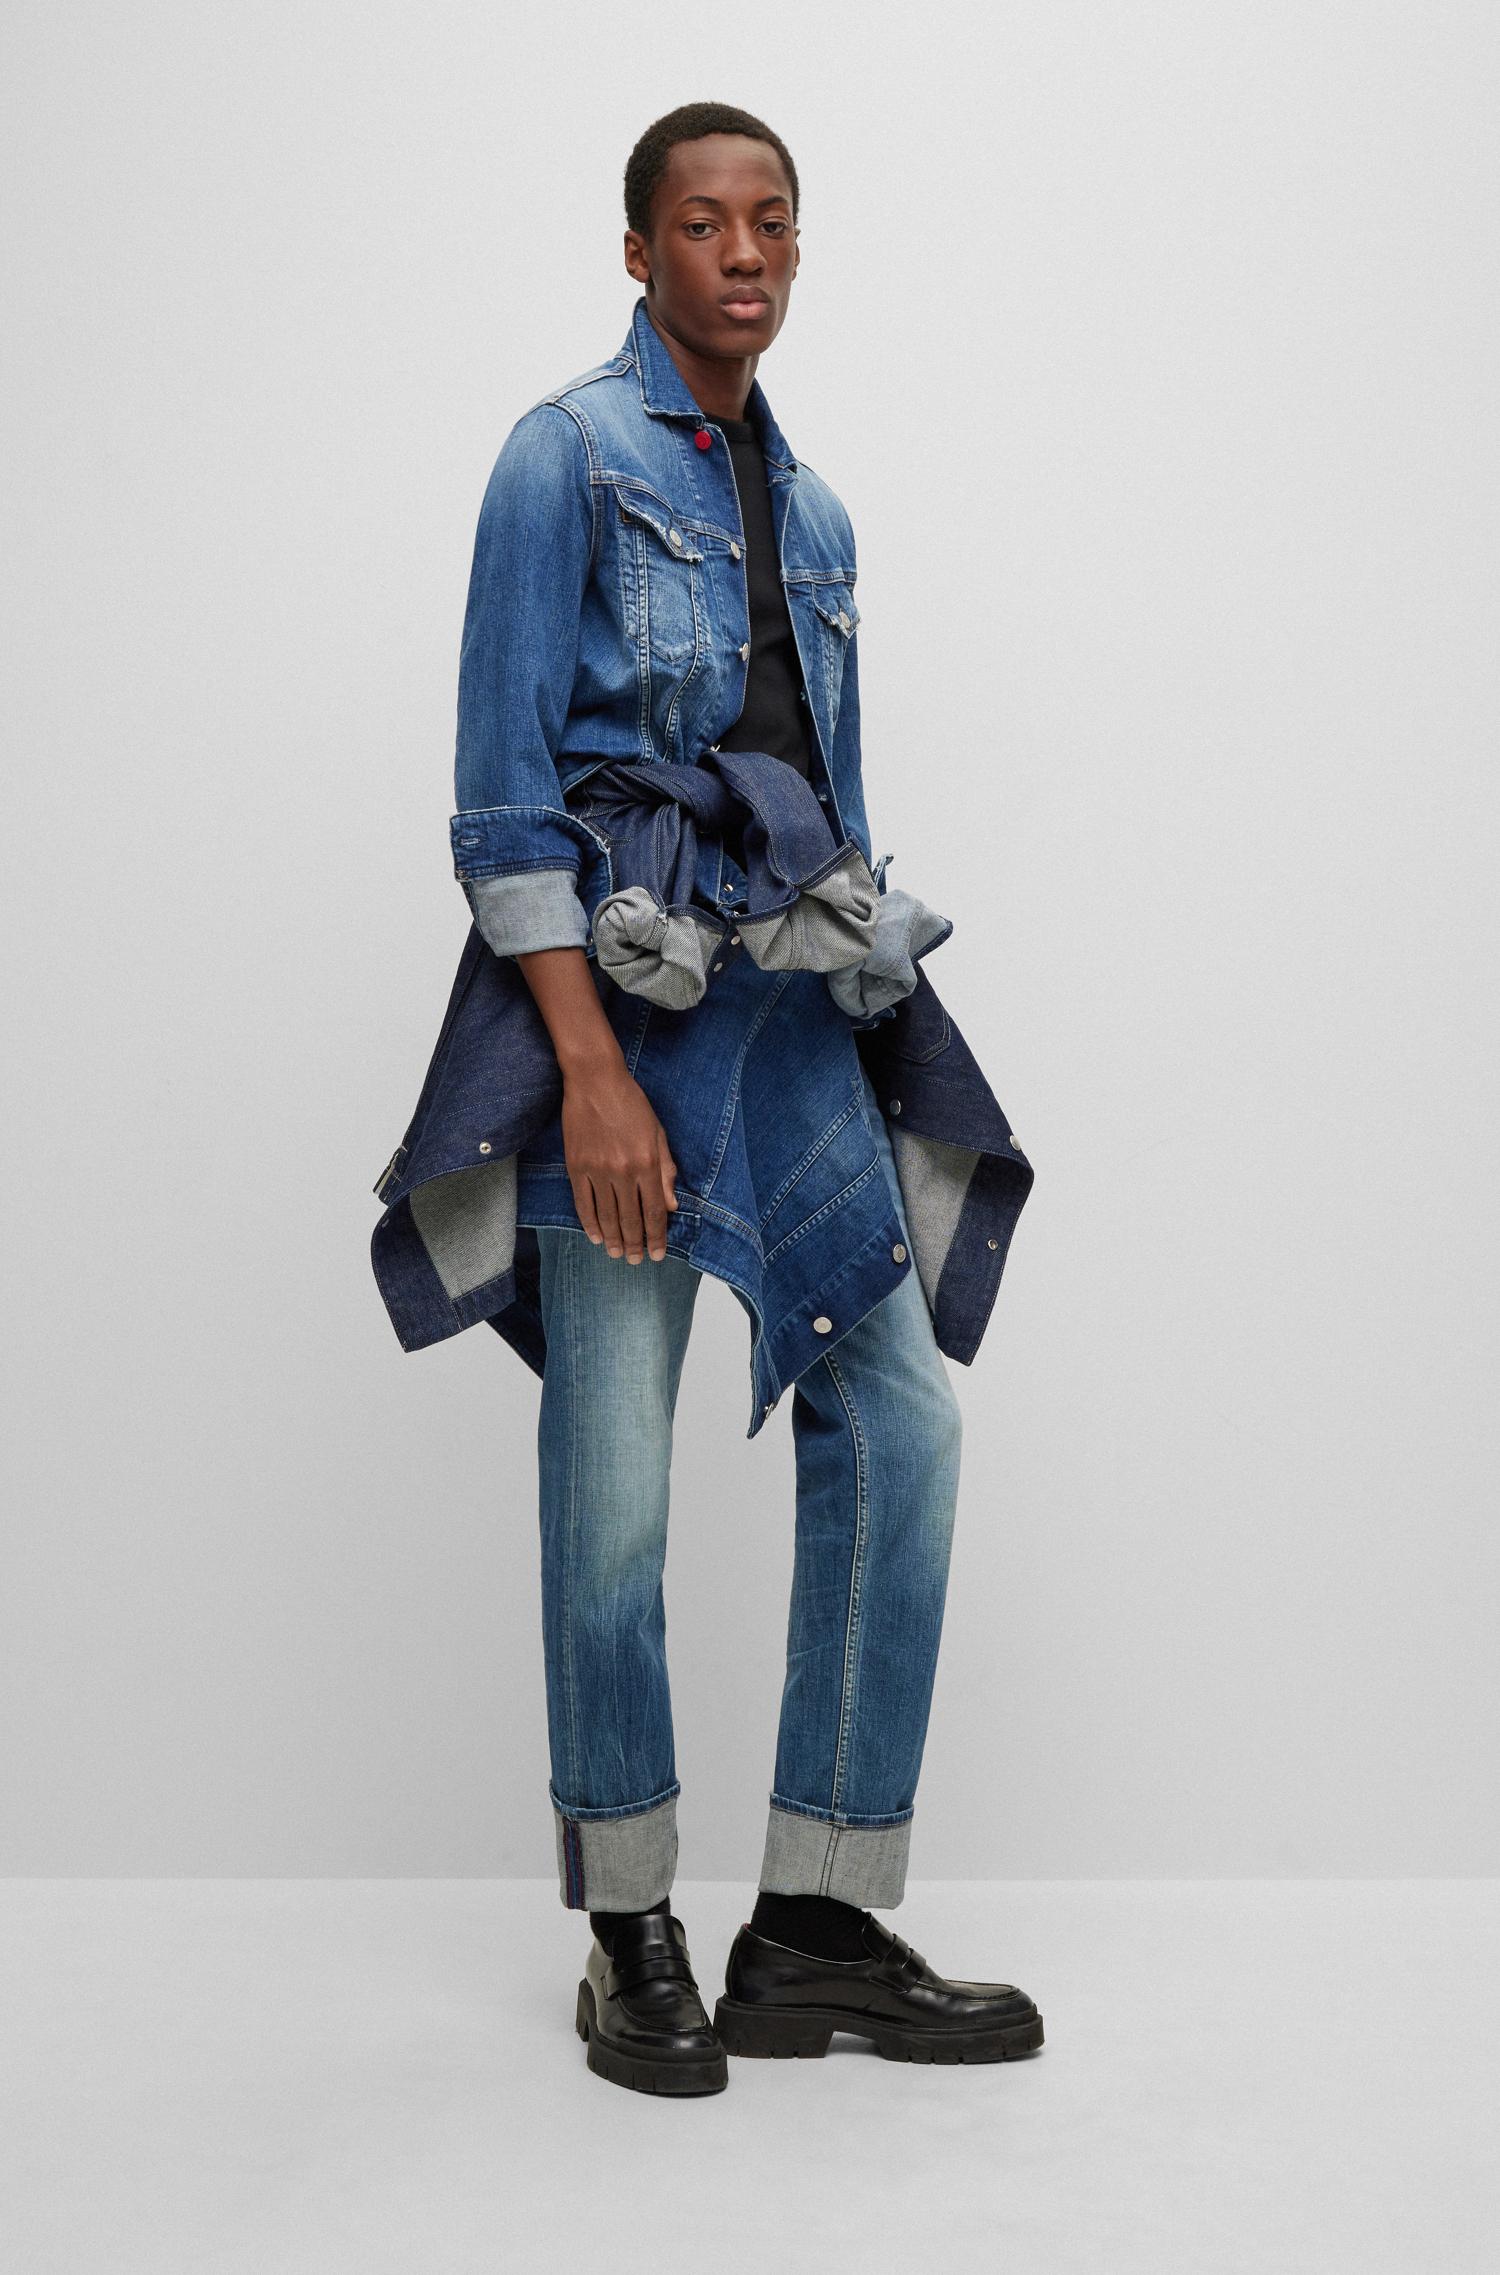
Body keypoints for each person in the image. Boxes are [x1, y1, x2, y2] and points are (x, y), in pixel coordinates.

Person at [416, 101, 1044, 2095]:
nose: (744, 251)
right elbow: (503, 805)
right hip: (625, 1007)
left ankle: (817, 1922)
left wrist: (866, 995)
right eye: (703, 223)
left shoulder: (823, 514)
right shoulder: (562, 457)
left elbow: (824, 798)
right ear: (641, 251)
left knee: (902, 1420)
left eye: (772, 219)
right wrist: (589, 1074)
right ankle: (630, 1927)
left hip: (786, 1019)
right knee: (615, 1474)